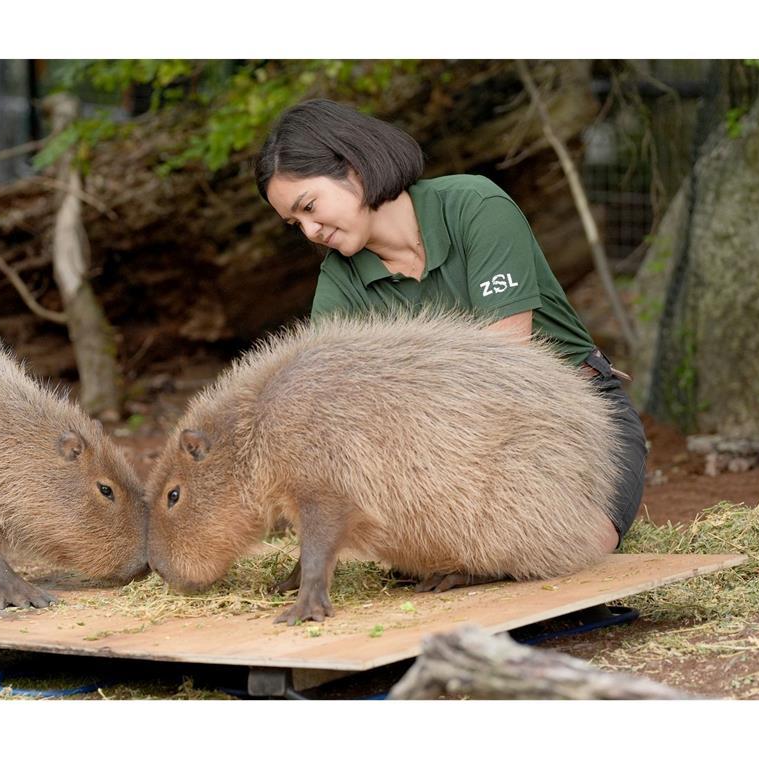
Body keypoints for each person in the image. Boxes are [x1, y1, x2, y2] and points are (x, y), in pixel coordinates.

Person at [254, 98, 646, 557]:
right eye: (294, 222)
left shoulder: (474, 206)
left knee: (568, 553)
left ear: (352, 168)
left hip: (572, 424)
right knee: (447, 564)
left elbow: (506, 371)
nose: (310, 231)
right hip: (446, 462)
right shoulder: (340, 284)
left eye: (309, 205)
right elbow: (341, 419)